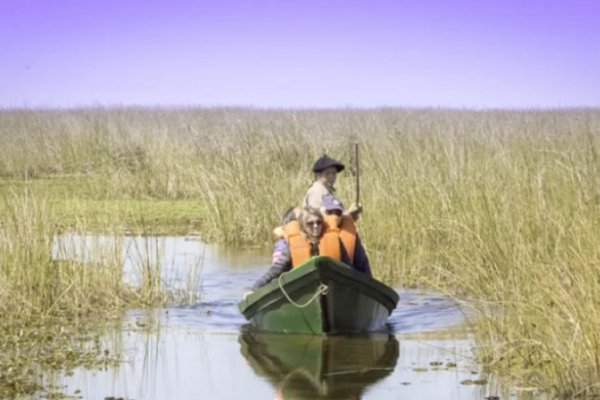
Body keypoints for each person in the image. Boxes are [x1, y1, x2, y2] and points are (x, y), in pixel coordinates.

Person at [249, 208, 353, 292]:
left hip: (332, 288)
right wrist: (255, 287)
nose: (315, 226)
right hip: (301, 289)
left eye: (318, 222)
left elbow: (347, 267)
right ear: (303, 226)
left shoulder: (335, 241)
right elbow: (277, 269)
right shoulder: (293, 244)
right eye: (310, 223)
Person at [319, 195, 372, 277]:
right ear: (322, 212)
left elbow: (362, 265)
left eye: (338, 213)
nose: (334, 216)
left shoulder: (350, 233)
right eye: (329, 212)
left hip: (345, 279)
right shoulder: (314, 228)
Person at [302, 154, 363, 221]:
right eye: (327, 173)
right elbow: (318, 219)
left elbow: (337, 216)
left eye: (334, 173)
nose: (331, 177)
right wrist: (348, 213)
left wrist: (352, 215)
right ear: (318, 175)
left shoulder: (328, 192)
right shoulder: (316, 191)